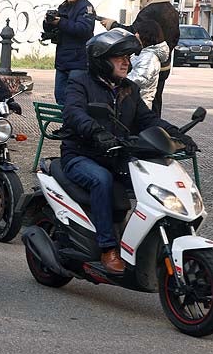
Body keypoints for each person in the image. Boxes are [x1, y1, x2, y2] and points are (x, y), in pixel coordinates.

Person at [59, 29, 197, 273]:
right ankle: (108, 248)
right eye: (119, 57)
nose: (127, 62)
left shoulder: (129, 89)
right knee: (101, 180)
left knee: (154, 184)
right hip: (81, 155)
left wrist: (177, 134)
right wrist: (96, 132)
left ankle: (149, 242)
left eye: (128, 56)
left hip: (117, 155)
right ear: (101, 60)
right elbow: (73, 113)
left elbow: (147, 119)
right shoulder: (80, 82)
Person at [100, 0, 180, 116]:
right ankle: (155, 128)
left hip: (147, 61)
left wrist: (112, 25)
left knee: (141, 101)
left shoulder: (149, 11)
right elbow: (175, 37)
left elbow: (134, 32)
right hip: (164, 63)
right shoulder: (172, 10)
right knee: (155, 100)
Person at [42, 0, 97, 104]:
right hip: (63, 61)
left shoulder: (86, 7)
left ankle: (74, 124)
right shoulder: (63, 6)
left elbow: (84, 29)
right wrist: (48, 22)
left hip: (79, 62)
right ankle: (66, 123)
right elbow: (53, 29)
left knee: (75, 99)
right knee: (60, 97)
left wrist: (61, 22)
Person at [127, 20, 168, 107]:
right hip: (134, 102)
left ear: (146, 35)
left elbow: (139, 79)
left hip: (139, 105)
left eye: (138, 32)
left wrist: (116, 80)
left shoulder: (149, 57)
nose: (135, 35)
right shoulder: (144, 53)